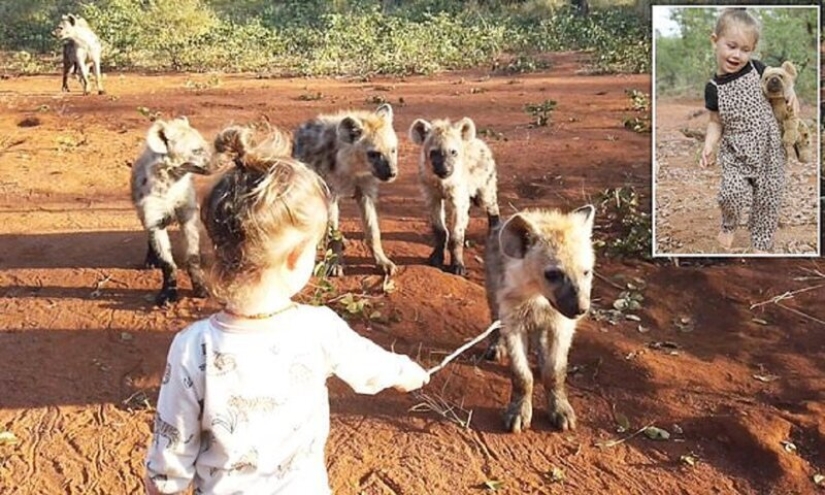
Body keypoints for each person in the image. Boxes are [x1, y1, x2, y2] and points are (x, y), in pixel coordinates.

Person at [144, 126, 430, 495]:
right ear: (297, 258)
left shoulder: (192, 346)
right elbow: (371, 367)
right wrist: (406, 372)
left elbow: (168, 464)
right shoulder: (318, 328)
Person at [699, 8, 798, 253]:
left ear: (752, 50)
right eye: (731, 46)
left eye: (745, 49)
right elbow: (715, 121)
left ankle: (762, 244)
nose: (737, 55)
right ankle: (729, 224)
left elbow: (780, 81)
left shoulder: (756, 69)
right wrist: (709, 145)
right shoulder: (713, 88)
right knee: (730, 193)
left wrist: (791, 94)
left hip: (769, 149)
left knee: (768, 198)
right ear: (715, 41)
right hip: (736, 151)